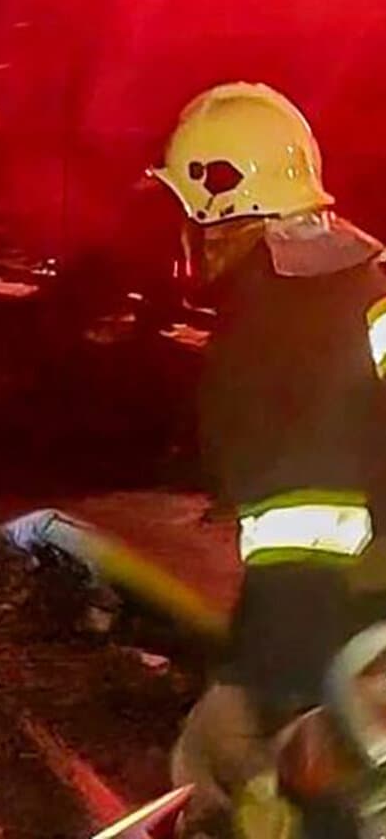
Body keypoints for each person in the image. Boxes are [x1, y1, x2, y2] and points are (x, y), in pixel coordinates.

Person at [151, 83, 386, 836]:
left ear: (221, 208)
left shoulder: (269, 340)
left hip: (351, 637)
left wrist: (269, 695)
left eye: (186, 214)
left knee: (253, 789)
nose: (184, 235)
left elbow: (303, 535)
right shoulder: (361, 282)